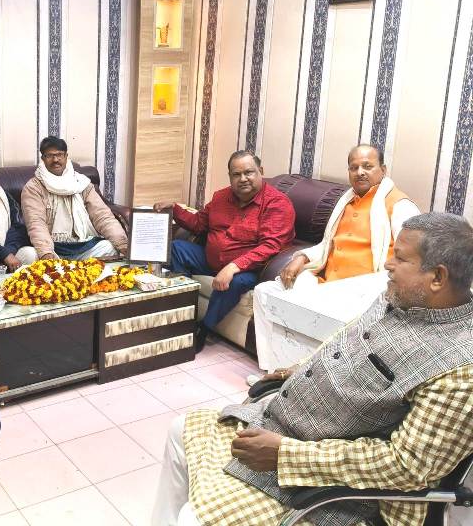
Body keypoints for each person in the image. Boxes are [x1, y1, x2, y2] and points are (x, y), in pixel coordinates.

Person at [153, 212, 473, 526]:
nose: (388, 264)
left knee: (193, 519)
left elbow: (406, 466)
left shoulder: (461, 368)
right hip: (284, 426)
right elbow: (345, 339)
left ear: (437, 277)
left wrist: (285, 455)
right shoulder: (400, 298)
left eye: (400, 259)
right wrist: (296, 369)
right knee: (180, 430)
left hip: (332, 489)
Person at [252, 144, 420, 371]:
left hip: (362, 290)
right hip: (326, 282)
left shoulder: (399, 205)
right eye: (354, 167)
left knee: (303, 312)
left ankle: (300, 374)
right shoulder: (346, 201)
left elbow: (412, 256)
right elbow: (326, 245)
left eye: (367, 166)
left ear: (383, 170)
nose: (360, 172)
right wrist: (300, 258)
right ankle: (272, 370)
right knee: (265, 292)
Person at [154, 151, 295, 350]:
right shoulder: (220, 197)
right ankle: (183, 312)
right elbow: (199, 224)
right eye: (236, 174)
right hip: (211, 260)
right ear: (230, 176)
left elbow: (270, 246)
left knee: (234, 282)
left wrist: (233, 267)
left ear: (261, 171)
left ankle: (203, 329)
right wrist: (175, 209)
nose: (243, 179)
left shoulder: (277, 203)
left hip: (248, 270)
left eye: (248, 172)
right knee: (177, 248)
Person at [22, 136, 128, 261]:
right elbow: (36, 223)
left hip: (83, 245)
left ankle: (80, 270)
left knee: (109, 247)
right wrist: (46, 254)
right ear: (43, 159)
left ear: (66, 156)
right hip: (53, 249)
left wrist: (123, 245)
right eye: (49, 156)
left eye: (59, 155)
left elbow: (102, 216)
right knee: (29, 254)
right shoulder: (33, 188)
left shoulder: (81, 183)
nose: (55, 160)